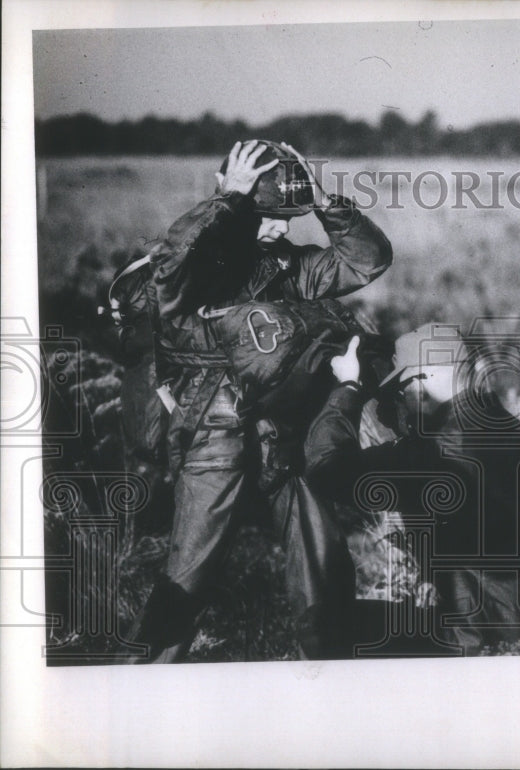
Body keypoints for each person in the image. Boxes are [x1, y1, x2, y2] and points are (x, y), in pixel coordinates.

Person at [127, 139, 392, 662]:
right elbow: (168, 273)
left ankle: (334, 673)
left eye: (286, 218)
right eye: (267, 215)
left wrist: (322, 202)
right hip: (211, 434)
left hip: (282, 431)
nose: (280, 228)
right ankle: (140, 680)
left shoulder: (291, 268)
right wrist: (228, 202)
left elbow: (368, 260)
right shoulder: (190, 265)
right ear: (237, 203)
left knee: (322, 562)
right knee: (190, 571)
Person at [304, 324, 520, 655]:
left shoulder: (431, 450)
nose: (401, 399)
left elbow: (325, 469)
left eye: (401, 389)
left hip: (474, 637)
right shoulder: (509, 426)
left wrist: (348, 387)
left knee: (322, 624)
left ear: (420, 380)